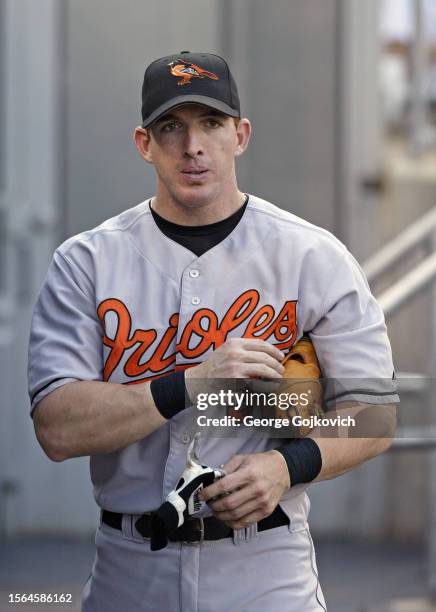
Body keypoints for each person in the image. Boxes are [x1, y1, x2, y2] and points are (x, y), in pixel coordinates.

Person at [28, 51, 399, 611]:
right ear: (143, 143)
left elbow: (373, 411)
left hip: (268, 568)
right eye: (171, 126)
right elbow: (57, 428)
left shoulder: (312, 256)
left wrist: (286, 466)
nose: (192, 146)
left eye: (211, 123)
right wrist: (193, 381)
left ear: (240, 135)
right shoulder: (87, 262)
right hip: (130, 567)